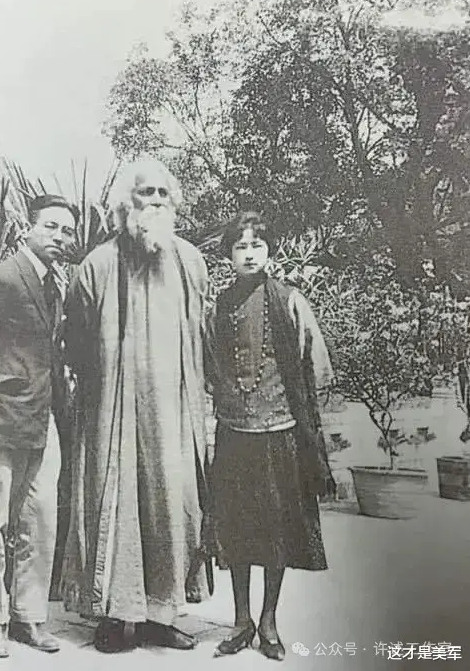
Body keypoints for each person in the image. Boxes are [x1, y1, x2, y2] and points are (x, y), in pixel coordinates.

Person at [61, 156, 210, 653]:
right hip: (114, 413)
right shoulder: (98, 265)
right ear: (127, 203)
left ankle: (161, 616)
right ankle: (115, 614)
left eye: (164, 193)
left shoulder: (190, 261)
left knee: (170, 506)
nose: (156, 201)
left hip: (173, 414)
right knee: (116, 505)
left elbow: (199, 336)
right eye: (147, 192)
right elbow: (77, 344)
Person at [204, 210, 335, 661]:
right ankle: (240, 620)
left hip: (280, 434)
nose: (248, 254)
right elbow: (209, 367)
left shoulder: (291, 301)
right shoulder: (218, 307)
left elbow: (315, 369)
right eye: (240, 246)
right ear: (229, 255)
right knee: (237, 530)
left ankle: (269, 622)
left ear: (270, 251)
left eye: (256, 245)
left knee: (276, 531)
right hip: (234, 435)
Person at [0, 195, 79, 658]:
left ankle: (29, 617)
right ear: (28, 227)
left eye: (67, 231)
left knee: (41, 521)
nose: (60, 237)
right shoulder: (3, 278)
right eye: (51, 227)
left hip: (41, 418)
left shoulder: (54, 285)